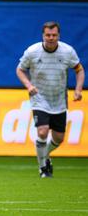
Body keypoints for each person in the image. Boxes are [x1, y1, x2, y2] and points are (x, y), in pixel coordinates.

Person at [16, 21, 85, 178]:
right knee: (42, 131)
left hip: (59, 99)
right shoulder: (32, 51)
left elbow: (79, 70)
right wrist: (28, 85)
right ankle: (43, 168)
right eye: (48, 35)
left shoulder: (68, 51)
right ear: (43, 35)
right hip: (39, 98)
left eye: (54, 35)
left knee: (59, 138)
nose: (51, 38)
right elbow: (20, 69)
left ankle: (45, 155)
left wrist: (78, 89)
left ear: (58, 36)